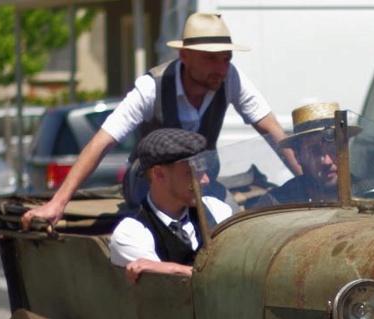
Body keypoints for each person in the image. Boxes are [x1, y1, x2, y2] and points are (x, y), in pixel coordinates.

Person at [22, 12, 294, 229]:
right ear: (185, 57)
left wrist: (308, 180)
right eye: (211, 59)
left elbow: (274, 133)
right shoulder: (152, 86)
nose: (221, 68)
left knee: (231, 225)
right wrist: (58, 203)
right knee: (157, 231)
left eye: (226, 59)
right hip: (151, 183)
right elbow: (101, 142)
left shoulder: (230, 78)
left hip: (200, 183)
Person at [109, 128, 232, 284]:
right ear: (159, 174)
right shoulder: (132, 233)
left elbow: (237, 270)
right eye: (192, 173)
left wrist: (175, 269)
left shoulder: (216, 210)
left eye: (203, 171)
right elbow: (167, 287)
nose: (205, 180)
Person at [255, 101, 374, 206]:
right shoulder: (277, 203)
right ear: (298, 155)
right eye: (315, 151)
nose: (326, 161)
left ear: (345, 150)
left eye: (332, 149)